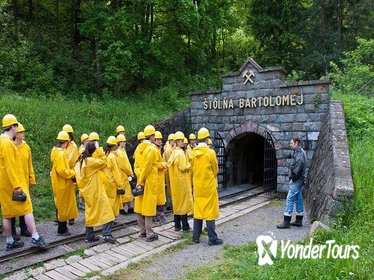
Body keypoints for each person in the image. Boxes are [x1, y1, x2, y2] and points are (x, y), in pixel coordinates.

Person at [0, 114, 48, 251]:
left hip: (4, 184)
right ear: (13, 127)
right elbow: (11, 166)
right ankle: (35, 237)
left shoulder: (1, 141)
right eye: (17, 126)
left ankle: (10, 241)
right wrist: (17, 186)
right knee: (27, 208)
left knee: (7, 213)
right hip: (14, 184)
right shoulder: (7, 144)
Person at [75, 142, 116, 243]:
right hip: (96, 191)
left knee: (90, 213)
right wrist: (99, 149)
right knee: (108, 211)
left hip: (87, 191)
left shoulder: (81, 160)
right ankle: (107, 234)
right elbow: (103, 161)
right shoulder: (91, 161)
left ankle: (89, 236)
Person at [191, 127, 223, 245]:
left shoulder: (193, 152)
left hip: (198, 186)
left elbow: (192, 169)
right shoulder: (210, 152)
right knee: (210, 213)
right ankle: (212, 238)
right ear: (207, 138)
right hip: (208, 186)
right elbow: (215, 169)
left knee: (198, 211)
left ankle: (196, 237)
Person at [134, 125, 159, 242]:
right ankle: (150, 233)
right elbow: (147, 168)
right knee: (148, 208)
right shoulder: (152, 150)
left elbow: (137, 167)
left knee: (139, 206)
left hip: (141, 180)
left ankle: (142, 231)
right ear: (152, 136)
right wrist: (141, 180)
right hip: (148, 181)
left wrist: (139, 178)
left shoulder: (138, 149)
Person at [50, 131, 78, 236]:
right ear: (66, 142)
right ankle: (61, 230)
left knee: (61, 205)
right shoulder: (60, 154)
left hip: (58, 182)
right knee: (63, 206)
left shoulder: (55, 151)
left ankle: (63, 227)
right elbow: (62, 170)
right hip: (62, 183)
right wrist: (72, 174)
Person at [11, 123, 36, 239]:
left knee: (24, 204)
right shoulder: (10, 147)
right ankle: (12, 230)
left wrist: (31, 178)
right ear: (16, 134)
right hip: (13, 182)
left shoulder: (26, 147)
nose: (23, 134)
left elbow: (29, 164)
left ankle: (23, 228)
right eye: (21, 132)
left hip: (24, 181)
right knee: (12, 205)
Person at [277, 136, 306, 229]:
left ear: (296, 143)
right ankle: (298, 220)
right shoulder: (299, 152)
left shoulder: (299, 154)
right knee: (298, 198)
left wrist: (293, 177)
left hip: (296, 179)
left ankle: (286, 221)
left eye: (291, 143)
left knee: (290, 198)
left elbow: (299, 165)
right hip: (299, 179)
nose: (290, 144)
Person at [167, 131, 193, 231]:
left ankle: (177, 225)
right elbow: (183, 167)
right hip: (182, 182)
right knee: (184, 204)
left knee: (177, 203)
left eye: (182, 141)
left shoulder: (173, 153)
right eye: (181, 141)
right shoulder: (180, 153)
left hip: (175, 182)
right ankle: (185, 226)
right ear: (177, 142)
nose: (183, 142)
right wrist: (189, 165)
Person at [104, 136, 125, 228]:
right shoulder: (113, 157)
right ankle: (112, 219)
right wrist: (120, 186)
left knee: (108, 201)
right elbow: (116, 172)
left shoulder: (106, 154)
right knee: (114, 202)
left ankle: (109, 218)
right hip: (113, 183)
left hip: (106, 182)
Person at [62, 124, 79, 226]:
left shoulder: (73, 146)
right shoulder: (64, 146)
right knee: (63, 197)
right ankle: (63, 217)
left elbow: (71, 160)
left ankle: (71, 217)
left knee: (71, 197)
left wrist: (62, 166)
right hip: (64, 173)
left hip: (71, 174)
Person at [116, 134, 135, 214]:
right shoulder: (119, 152)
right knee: (123, 193)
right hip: (122, 174)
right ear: (119, 142)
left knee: (127, 192)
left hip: (125, 174)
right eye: (123, 142)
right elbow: (123, 166)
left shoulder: (122, 151)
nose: (124, 143)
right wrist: (129, 173)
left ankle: (130, 207)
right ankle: (121, 208)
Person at [153, 131, 168, 224]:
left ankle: (158, 215)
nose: (159, 141)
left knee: (160, 197)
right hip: (156, 177)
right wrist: (164, 164)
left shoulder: (158, 149)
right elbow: (155, 164)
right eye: (158, 139)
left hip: (159, 177)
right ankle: (159, 215)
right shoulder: (154, 150)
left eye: (160, 139)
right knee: (158, 197)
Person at [162, 133, 175, 210]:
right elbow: (171, 162)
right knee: (170, 188)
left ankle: (170, 203)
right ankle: (170, 204)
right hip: (169, 171)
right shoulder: (168, 150)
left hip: (168, 171)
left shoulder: (169, 149)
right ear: (171, 141)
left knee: (170, 188)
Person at [78, 133, 89, 210]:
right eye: (87, 140)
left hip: (84, 167)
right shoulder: (82, 148)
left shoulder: (84, 147)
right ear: (83, 141)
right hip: (82, 167)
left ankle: (82, 201)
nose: (88, 141)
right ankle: (81, 202)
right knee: (82, 185)